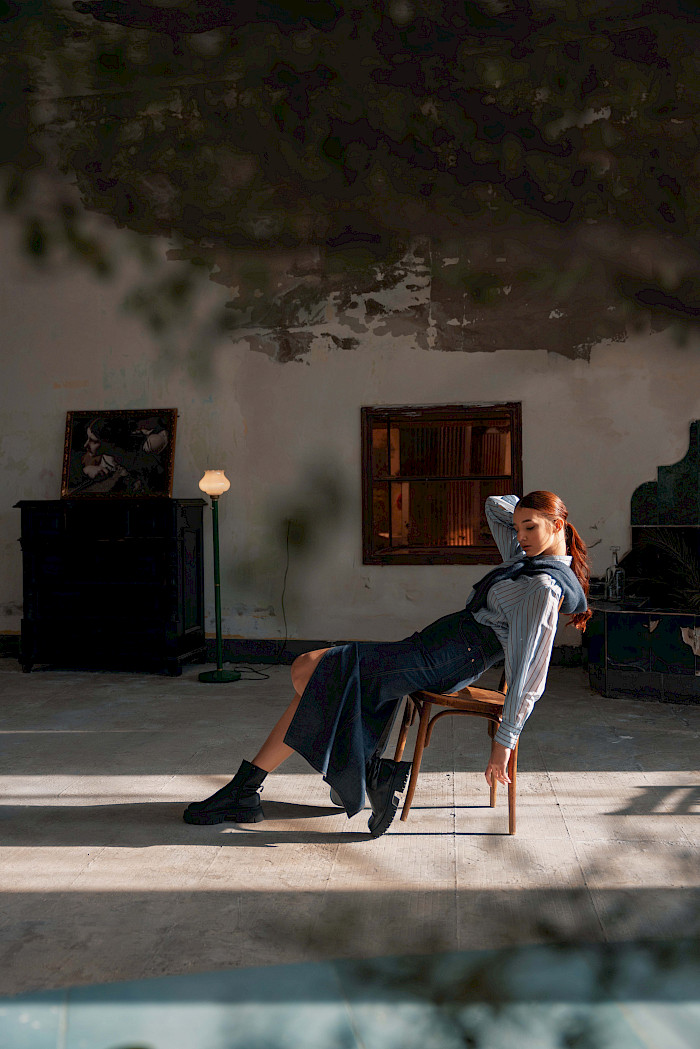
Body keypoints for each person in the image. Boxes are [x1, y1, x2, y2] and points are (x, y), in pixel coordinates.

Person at [183, 491, 591, 837]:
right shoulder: (527, 558)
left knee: (308, 667)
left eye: (530, 528)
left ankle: (354, 772)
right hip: (433, 647)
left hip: (446, 661)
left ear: (557, 525)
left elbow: (529, 672)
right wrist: (530, 515)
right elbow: (493, 505)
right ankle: (283, 784)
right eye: (517, 528)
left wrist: (505, 742)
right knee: (322, 680)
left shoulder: (542, 587)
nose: (519, 537)